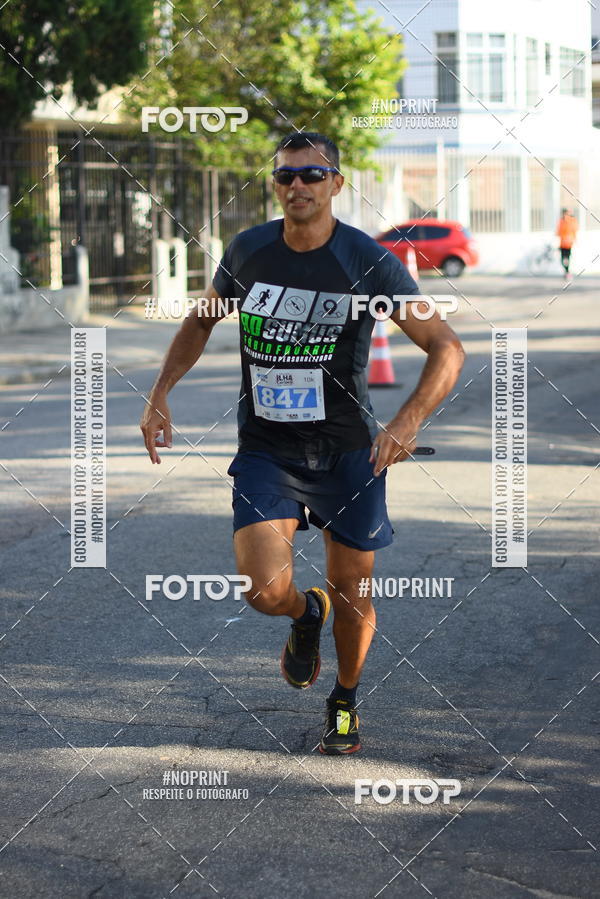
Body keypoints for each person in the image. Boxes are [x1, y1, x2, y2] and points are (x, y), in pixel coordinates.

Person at [140, 132, 465, 755]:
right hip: (268, 451)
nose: (297, 187)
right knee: (263, 590)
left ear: (336, 185)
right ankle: (301, 614)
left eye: (312, 175)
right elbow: (201, 320)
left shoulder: (366, 261)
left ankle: (344, 698)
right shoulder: (250, 250)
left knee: (355, 590)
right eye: (285, 176)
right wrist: (160, 391)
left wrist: (409, 419)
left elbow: (447, 347)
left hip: (349, 453)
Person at [556, 208, 578, 280]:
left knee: (564, 259)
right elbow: (575, 231)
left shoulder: (565, 221)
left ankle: (567, 272)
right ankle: (567, 272)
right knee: (566, 258)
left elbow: (559, 232)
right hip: (567, 243)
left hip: (565, 243)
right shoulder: (572, 220)